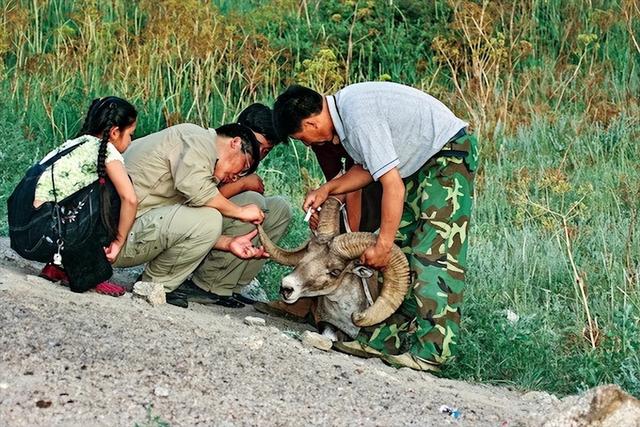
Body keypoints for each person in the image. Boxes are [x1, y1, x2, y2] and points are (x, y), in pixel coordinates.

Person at [272, 82, 479, 371]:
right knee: (403, 250)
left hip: (447, 157)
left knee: (433, 253)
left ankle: (432, 353)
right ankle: (384, 340)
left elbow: (392, 185)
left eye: (303, 138)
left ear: (311, 121)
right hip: (422, 163)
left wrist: (382, 245)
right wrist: (328, 189)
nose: (308, 144)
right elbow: (367, 170)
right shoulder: (346, 115)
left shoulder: (357, 118)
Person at [112, 122, 291, 308]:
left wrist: (229, 243)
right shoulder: (199, 142)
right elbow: (198, 193)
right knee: (210, 218)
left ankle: (160, 284)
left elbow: (184, 225)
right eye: (243, 166)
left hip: (124, 234)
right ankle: (156, 286)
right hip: (116, 241)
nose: (237, 176)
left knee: (209, 218)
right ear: (235, 143)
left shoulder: (197, 144)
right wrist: (240, 212)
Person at [9, 96, 138, 296]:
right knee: (114, 190)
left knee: (92, 191)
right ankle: (88, 275)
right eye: (130, 134)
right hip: (41, 235)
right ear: (114, 132)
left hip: (24, 232)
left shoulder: (75, 143)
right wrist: (118, 242)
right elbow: (130, 199)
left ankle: (59, 267)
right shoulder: (106, 152)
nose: (131, 141)